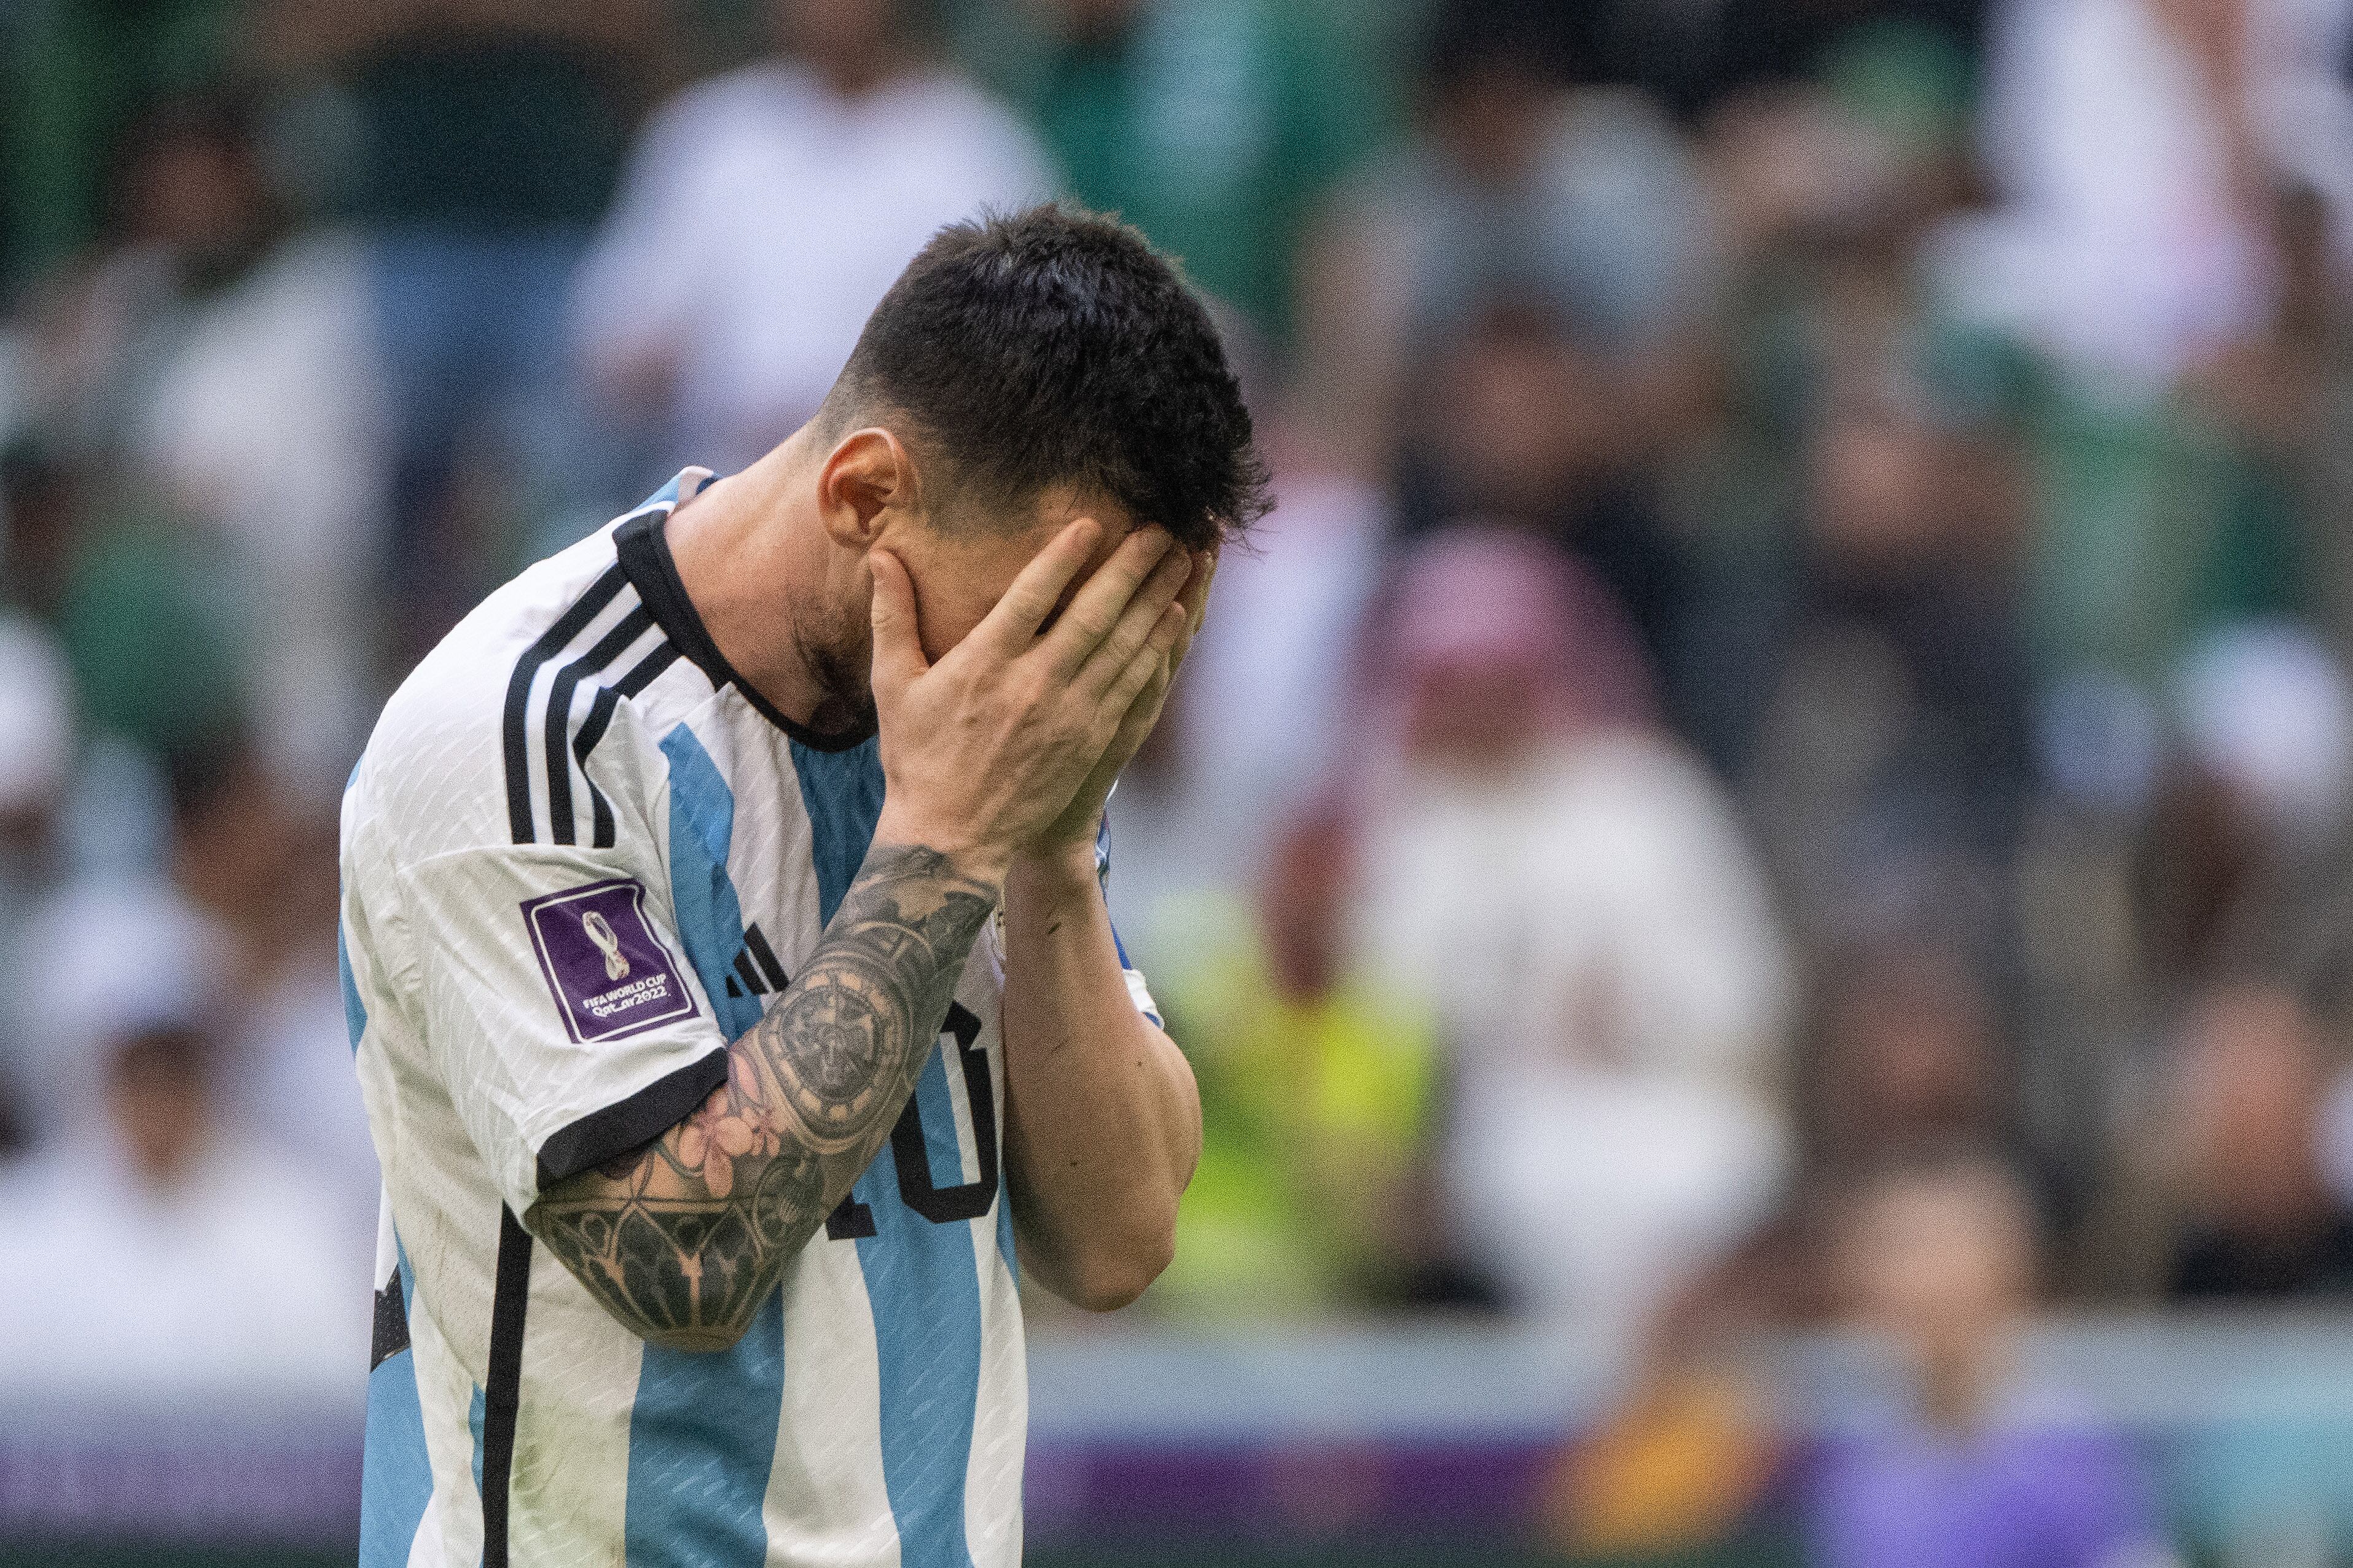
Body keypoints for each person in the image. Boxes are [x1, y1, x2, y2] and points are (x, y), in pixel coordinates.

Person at [343, 205, 1264, 1567]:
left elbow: (1116, 1239)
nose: (1057, 682)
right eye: (1039, 619)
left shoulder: (987, 733)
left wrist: (1057, 851)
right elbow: (681, 1255)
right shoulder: (523, 736)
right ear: (864, 496)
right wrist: (944, 845)